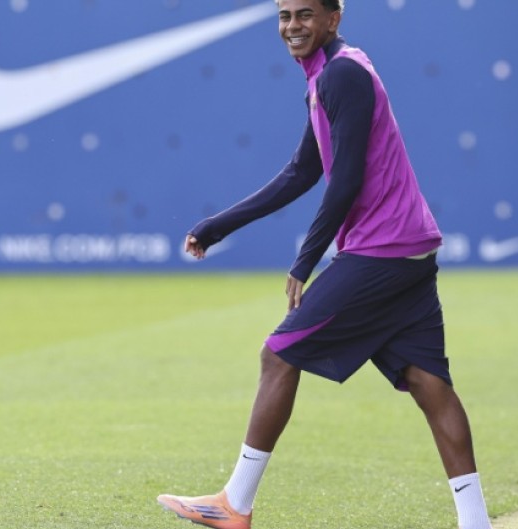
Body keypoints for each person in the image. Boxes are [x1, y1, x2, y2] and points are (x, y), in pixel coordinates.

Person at [156, 1, 494, 528]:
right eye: (285, 15)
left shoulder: (343, 75)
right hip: (409, 249)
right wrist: (217, 226)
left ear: (334, 18)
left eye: (305, 14)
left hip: (381, 251)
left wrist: (305, 260)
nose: (293, 26)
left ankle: (234, 504)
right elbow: (301, 172)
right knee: (429, 383)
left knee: (278, 354)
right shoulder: (328, 76)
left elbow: (347, 178)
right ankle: (477, 524)